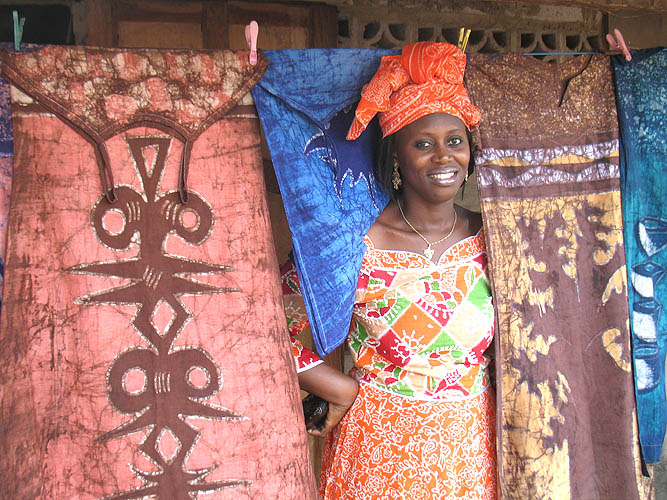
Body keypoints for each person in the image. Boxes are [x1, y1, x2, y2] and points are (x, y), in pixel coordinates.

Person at [281, 41, 496, 500]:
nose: (444, 157)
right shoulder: (353, 243)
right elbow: (265, 323)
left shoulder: (496, 241)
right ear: (396, 154)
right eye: (423, 143)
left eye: (454, 141)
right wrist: (336, 388)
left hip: (476, 455)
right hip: (377, 459)